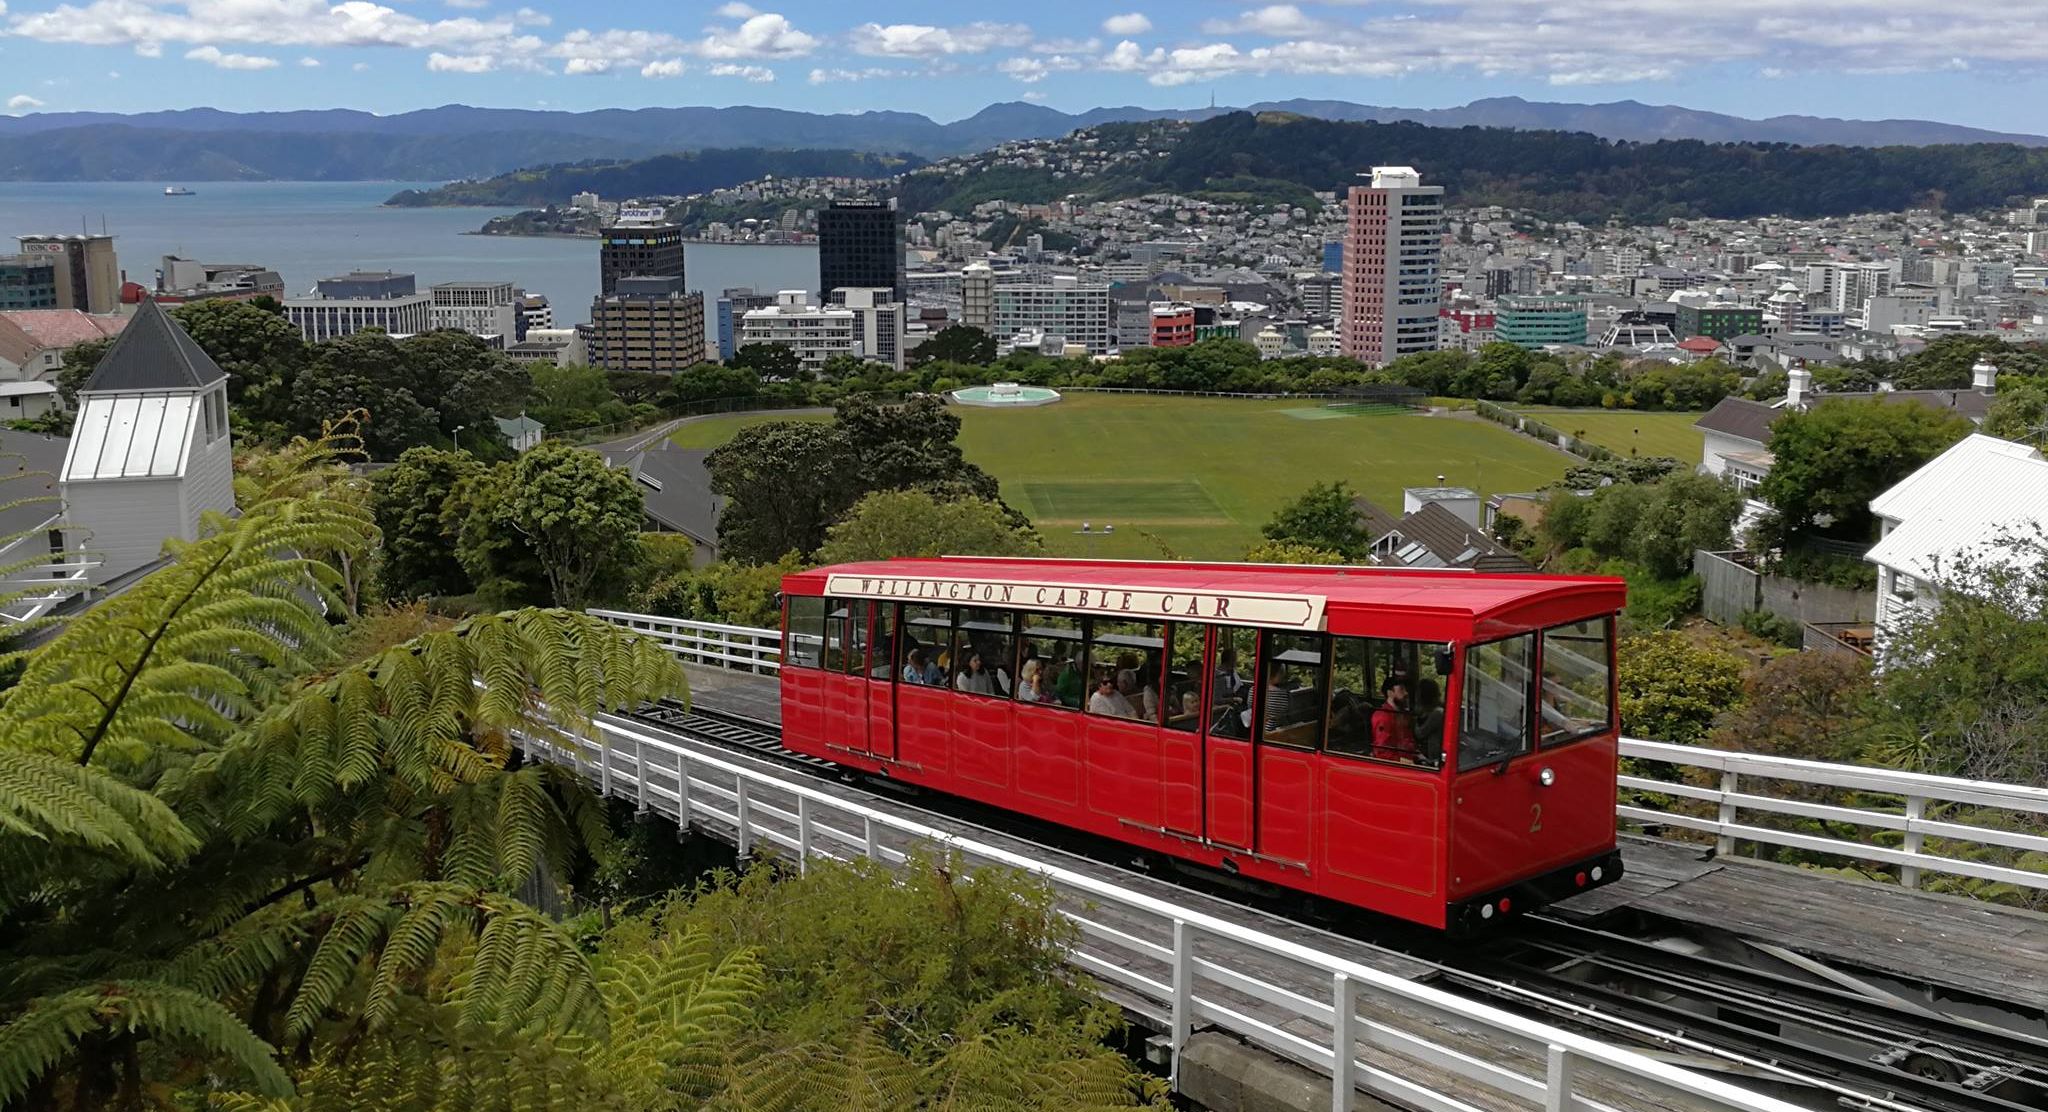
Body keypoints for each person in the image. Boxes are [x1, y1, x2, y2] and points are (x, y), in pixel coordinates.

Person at [1371, 677, 1417, 763]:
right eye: (1401, 690)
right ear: (1390, 693)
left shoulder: (1403, 714)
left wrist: (1417, 754)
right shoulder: (1383, 716)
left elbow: (1407, 740)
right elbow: (1381, 751)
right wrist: (1401, 760)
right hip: (1394, 765)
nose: (1406, 693)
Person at [1410, 678, 1444, 765]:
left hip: (1435, 757)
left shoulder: (1437, 713)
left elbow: (1420, 733)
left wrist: (1414, 720)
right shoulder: (1431, 710)